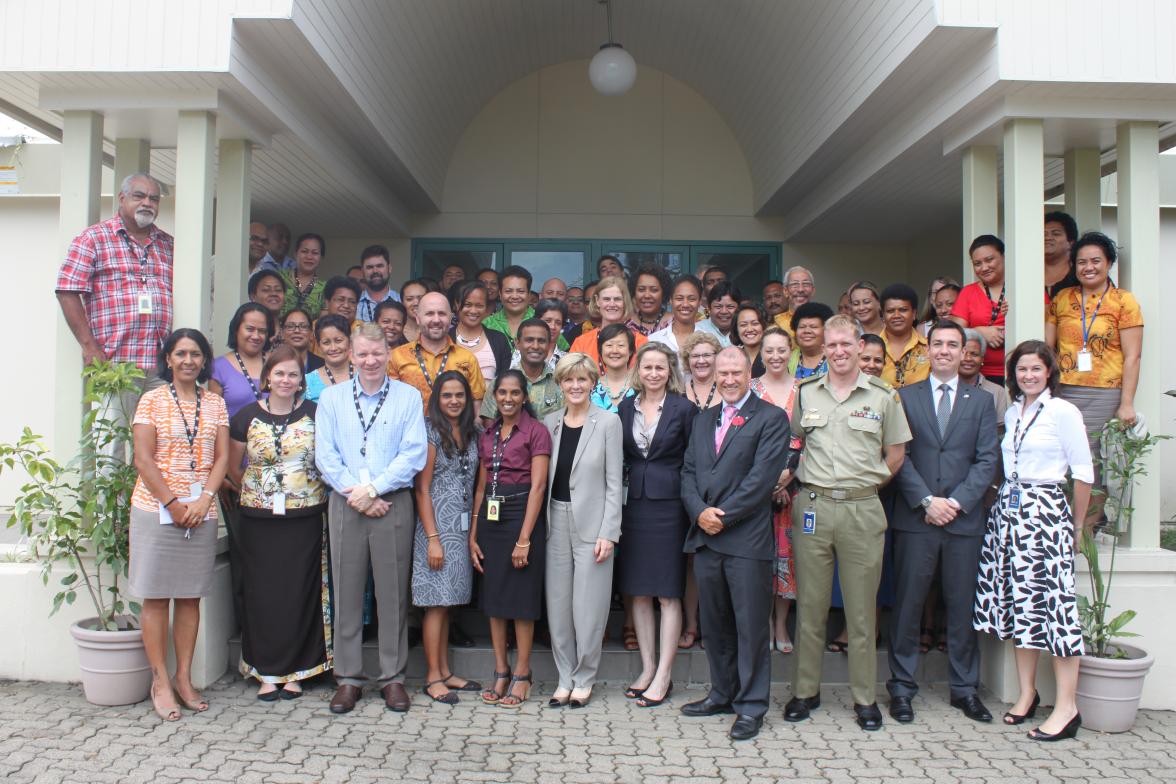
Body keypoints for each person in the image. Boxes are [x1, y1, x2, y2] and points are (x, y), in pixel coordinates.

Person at [785, 314, 911, 732]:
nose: (838, 351)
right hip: (814, 507)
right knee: (811, 608)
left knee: (861, 611)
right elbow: (796, 440)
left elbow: (896, 454)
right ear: (824, 348)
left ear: (860, 347)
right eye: (831, 344)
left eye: (845, 344)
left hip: (862, 508)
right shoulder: (807, 394)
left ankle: (864, 698)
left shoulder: (882, 396)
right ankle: (805, 691)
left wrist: (868, 483)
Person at [973, 341, 1093, 742]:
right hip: (1011, 513)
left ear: (1049, 372)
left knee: (1055, 609)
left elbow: (1084, 473)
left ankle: (1067, 707)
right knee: (1020, 607)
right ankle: (1027, 693)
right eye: (1022, 370)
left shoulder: (1064, 412)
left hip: (1046, 514)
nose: (1028, 376)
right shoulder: (1012, 411)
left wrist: (1075, 527)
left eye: (1035, 370)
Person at [887, 321, 999, 724]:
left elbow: (988, 459)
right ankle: (901, 688)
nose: (946, 351)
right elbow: (899, 456)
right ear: (927, 350)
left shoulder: (981, 401)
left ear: (964, 352)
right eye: (939, 344)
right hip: (916, 518)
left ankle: (964, 689)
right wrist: (925, 501)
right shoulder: (904, 396)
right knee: (908, 606)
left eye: (954, 345)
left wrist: (956, 502)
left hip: (962, 520)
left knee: (960, 605)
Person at [314, 323, 428, 715]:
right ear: (351, 355)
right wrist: (357, 495)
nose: (370, 361)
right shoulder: (331, 399)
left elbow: (414, 453)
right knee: (346, 592)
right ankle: (348, 679)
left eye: (377, 353)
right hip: (346, 503)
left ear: (388, 352)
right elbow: (325, 455)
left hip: (392, 503)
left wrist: (375, 490)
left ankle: (392, 677)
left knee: (392, 594)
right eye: (362, 354)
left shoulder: (409, 397)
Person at [680, 347, 791, 741]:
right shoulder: (703, 418)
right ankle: (722, 693)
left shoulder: (772, 418)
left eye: (735, 373)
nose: (727, 379)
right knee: (715, 625)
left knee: (749, 628)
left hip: (745, 540)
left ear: (749, 375)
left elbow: (761, 482)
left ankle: (751, 706)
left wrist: (719, 516)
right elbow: (689, 472)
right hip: (707, 539)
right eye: (722, 372)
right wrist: (698, 512)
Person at [129, 328, 230, 721]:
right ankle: (160, 682)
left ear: (205, 361)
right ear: (168, 359)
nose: (188, 360)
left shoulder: (216, 404)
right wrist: (172, 502)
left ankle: (184, 678)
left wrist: (204, 499)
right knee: (156, 597)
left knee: (189, 597)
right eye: (181, 353)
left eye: (196, 354)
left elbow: (221, 458)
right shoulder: (151, 400)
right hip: (156, 509)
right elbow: (143, 458)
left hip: (200, 511)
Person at [227, 345, 331, 701]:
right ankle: (265, 670)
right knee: (262, 592)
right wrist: (258, 491)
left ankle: (298, 670)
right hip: (258, 520)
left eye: (293, 374)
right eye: (280, 373)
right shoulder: (245, 418)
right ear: (267, 377)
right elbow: (231, 466)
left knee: (299, 591)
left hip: (305, 517)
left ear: (302, 380)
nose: (286, 380)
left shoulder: (316, 414)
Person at [543, 353, 624, 708]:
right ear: (560, 384)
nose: (575, 386)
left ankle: (585, 676)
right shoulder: (549, 423)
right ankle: (564, 677)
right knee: (558, 606)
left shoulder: (608, 423)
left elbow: (614, 482)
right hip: (554, 522)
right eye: (568, 380)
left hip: (594, 525)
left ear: (593, 382)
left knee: (588, 608)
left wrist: (610, 531)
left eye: (582, 380)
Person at [56, 172, 173, 417]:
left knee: (160, 443)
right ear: (122, 198)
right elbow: (67, 290)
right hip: (116, 362)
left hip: (162, 364)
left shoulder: (168, 244)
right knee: (114, 443)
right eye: (139, 196)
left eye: (154, 199)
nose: (147, 203)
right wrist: (89, 347)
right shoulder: (93, 238)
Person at [617, 343, 696, 707]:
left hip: (670, 507)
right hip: (634, 506)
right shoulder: (624, 407)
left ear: (670, 371)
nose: (653, 373)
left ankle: (664, 674)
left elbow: (694, 459)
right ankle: (647, 668)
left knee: (667, 591)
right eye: (647, 367)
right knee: (640, 590)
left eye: (660, 367)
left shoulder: (684, 408)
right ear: (639, 370)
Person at [1046, 231, 1142, 522]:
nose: (1088, 267)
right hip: (1064, 391)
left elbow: (1133, 356)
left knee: (1095, 463)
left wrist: (1126, 403)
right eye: (1081, 262)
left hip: (1104, 393)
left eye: (1096, 261)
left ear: (1109, 262)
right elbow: (1047, 349)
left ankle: (1087, 532)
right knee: (1062, 458)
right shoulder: (1062, 299)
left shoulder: (1123, 301)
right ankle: (1063, 525)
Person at [470, 370, 553, 708]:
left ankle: (522, 673)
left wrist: (524, 539)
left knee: (520, 599)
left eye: (514, 393)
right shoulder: (487, 434)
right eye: (501, 392)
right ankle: (501, 671)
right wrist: (473, 533)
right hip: (491, 517)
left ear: (523, 396)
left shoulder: (537, 432)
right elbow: (480, 486)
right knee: (494, 597)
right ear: (494, 395)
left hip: (521, 516)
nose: (507, 398)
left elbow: (538, 487)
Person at [412, 371, 482, 705]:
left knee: (449, 604)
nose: (453, 401)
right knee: (435, 606)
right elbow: (422, 489)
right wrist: (433, 538)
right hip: (436, 529)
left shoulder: (472, 431)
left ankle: (446, 671)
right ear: (436, 400)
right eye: (446, 396)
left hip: (461, 529)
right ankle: (432, 677)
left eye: (459, 395)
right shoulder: (430, 433)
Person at [749, 327, 801, 654]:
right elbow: (744, 441)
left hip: (798, 485)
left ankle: (782, 622)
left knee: (790, 556)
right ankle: (764, 620)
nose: (776, 356)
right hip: (758, 489)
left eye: (782, 350)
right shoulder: (749, 390)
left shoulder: (806, 390)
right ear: (761, 354)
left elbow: (814, 439)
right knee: (761, 556)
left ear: (790, 351)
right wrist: (771, 481)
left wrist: (788, 476)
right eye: (769, 350)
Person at [676, 331, 722, 649]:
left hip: (720, 484)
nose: (702, 360)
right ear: (687, 361)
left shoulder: (729, 390)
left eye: (708, 355)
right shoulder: (678, 390)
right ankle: (691, 624)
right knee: (690, 559)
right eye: (696, 355)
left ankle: (713, 624)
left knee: (714, 557)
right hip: (685, 482)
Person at [950, 235, 1037, 385]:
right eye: (977, 263)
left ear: (1003, 257)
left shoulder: (1025, 286)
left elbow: (1042, 325)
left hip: (1025, 371)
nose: (984, 267)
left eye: (989, 260)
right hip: (978, 374)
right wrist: (979, 331)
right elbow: (954, 332)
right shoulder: (968, 293)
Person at [389, 292, 486, 410]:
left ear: (450, 318)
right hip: (409, 427)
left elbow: (476, 403)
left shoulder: (467, 358)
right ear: (418, 318)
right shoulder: (397, 356)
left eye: (442, 314)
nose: (436, 320)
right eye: (429, 313)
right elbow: (389, 402)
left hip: (454, 427)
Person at [480, 319, 565, 422]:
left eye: (541, 341)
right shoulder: (500, 383)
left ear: (549, 345)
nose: (535, 346)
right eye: (529, 340)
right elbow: (489, 424)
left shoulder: (561, 383)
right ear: (517, 343)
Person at [210, 303, 274, 419]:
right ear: (236, 329)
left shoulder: (277, 362)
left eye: (262, 331)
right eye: (250, 329)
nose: (256, 336)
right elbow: (214, 418)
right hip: (233, 436)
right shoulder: (219, 367)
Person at [569, 275, 647, 363]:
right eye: (606, 299)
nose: (612, 304)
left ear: (625, 301)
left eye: (617, 299)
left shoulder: (641, 342)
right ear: (597, 301)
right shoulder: (582, 343)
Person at [452, 281, 511, 388]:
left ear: (486, 308)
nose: (473, 311)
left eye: (479, 306)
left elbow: (505, 382)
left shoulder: (499, 340)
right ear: (456, 304)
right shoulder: (446, 339)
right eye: (467, 304)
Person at [879, 283, 930, 389]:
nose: (896, 315)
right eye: (890, 311)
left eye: (903, 310)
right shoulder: (870, 348)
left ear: (914, 314)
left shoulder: (929, 348)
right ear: (883, 315)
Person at [483, 266, 538, 352]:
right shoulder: (486, 324)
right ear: (500, 294)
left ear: (529, 295)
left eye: (520, 291)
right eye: (508, 291)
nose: (515, 296)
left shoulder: (542, 320)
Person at [648, 274, 703, 354]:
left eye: (692, 299)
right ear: (671, 301)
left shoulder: (709, 339)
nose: (685, 304)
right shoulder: (654, 340)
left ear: (700, 302)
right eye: (679, 298)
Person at [511, 299, 568, 373]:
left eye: (558, 323)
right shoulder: (518, 354)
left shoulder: (566, 360)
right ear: (537, 321)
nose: (553, 326)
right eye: (548, 321)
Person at [590, 323, 637, 413]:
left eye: (621, 345)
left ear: (630, 351)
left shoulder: (640, 386)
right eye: (609, 345)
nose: (615, 351)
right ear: (600, 351)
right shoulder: (591, 386)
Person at [304, 315, 352, 402]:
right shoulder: (307, 382)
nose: (333, 348)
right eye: (326, 342)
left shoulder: (365, 376)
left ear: (349, 341)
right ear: (319, 346)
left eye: (338, 340)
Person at [281, 234, 328, 317]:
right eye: (304, 251)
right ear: (295, 254)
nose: (309, 257)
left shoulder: (325, 288)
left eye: (315, 253)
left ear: (321, 258)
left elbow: (323, 322)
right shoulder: (279, 278)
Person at [356, 245, 401, 322]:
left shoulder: (401, 301)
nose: (375, 271)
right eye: (370, 267)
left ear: (389, 268)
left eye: (380, 266)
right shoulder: (354, 303)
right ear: (362, 271)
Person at [628, 263, 673, 336]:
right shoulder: (626, 326)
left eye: (654, 290)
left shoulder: (675, 324)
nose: (647, 295)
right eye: (641, 289)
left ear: (664, 292)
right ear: (634, 292)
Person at [792, 302, 834, 379]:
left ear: (826, 331)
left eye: (813, 327)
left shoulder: (836, 358)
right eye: (802, 327)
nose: (807, 331)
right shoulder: (787, 359)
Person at [1044, 211, 1080, 300]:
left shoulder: (1082, 274)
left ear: (1071, 242)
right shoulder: (1027, 274)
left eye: (1056, 234)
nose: (1047, 238)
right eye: (1044, 234)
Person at [279, 308, 324, 374]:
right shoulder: (272, 362)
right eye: (290, 326)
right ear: (282, 333)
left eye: (303, 326)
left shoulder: (322, 365)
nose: (297, 331)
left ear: (311, 333)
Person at [696, 282, 739, 347]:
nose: (724, 311)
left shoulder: (745, 330)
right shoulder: (698, 330)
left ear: (739, 308)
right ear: (709, 308)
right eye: (718, 307)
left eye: (730, 307)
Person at [774, 266, 816, 333]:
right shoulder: (778, 325)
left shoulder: (824, 322)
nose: (800, 289)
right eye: (795, 284)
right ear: (785, 291)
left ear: (813, 290)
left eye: (806, 284)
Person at [734, 303, 768, 377]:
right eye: (743, 325)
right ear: (736, 329)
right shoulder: (730, 357)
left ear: (764, 326)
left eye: (755, 323)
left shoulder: (774, 355)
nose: (749, 329)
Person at [400, 279, 428, 344]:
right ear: (402, 303)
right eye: (409, 299)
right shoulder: (396, 329)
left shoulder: (434, 329)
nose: (416, 303)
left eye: (420, 298)